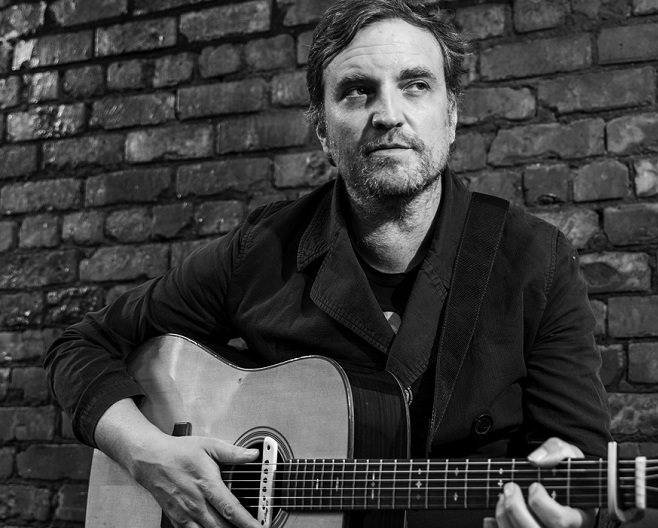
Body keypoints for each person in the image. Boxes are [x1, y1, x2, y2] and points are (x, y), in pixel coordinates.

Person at [43, 1, 611, 527]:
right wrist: (148, 454)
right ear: (322, 129)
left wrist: (570, 516)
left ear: (452, 115)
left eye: (415, 86)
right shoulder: (263, 250)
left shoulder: (536, 260)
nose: (389, 115)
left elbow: (586, 480)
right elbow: (81, 346)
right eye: (358, 92)